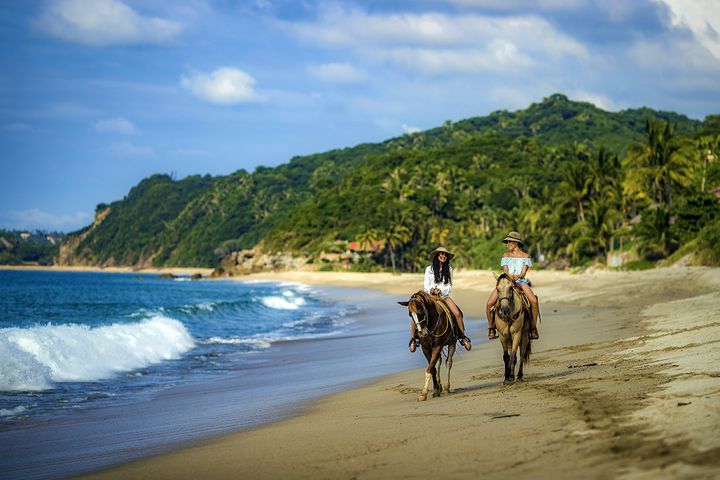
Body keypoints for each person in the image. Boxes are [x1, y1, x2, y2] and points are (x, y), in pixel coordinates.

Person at [409, 246, 472, 352]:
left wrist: (440, 291)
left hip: (443, 297)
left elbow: (449, 286)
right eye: (441, 254)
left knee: (457, 314)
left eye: (445, 255)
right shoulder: (429, 269)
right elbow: (426, 285)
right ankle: (413, 339)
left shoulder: (449, 269)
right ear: (437, 256)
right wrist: (431, 290)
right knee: (415, 313)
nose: (444, 256)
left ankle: (462, 336)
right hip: (430, 298)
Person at [486, 231, 540, 340]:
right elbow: (505, 271)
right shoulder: (506, 255)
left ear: (516, 242)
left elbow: (524, 273)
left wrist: (518, 276)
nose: (508, 244)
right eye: (507, 242)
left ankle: (533, 328)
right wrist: (510, 277)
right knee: (489, 303)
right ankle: (491, 328)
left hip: (521, 281)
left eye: (510, 241)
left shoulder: (526, 256)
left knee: (533, 301)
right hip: (506, 282)